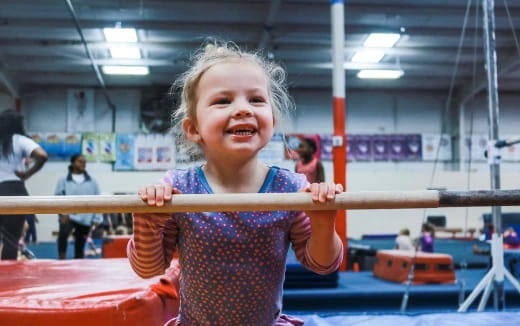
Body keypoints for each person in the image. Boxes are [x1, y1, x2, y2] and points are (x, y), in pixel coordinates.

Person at [127, 41, 344, 326]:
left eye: (256, 100)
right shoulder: (179, 187)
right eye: (223, 101)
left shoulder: (290, 188)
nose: (243, 109)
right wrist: (148, 223)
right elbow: (148, 269)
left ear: (273, 120)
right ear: (193, 129)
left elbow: (323, 265)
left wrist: (324, 223)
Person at [0, 109, 48, 260]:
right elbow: (42, 155)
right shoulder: (18, 140)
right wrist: (28, 174)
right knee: (12, 239)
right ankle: (7, 279)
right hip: (13, 190)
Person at [55, 154, 102, 259]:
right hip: (68, 216)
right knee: (63, 235)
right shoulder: (63, 180)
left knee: (80, 244)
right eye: (80, 161)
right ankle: (61, 259)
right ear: (73, 163)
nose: (83, 164)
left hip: (86, 218)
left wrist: (97, 218)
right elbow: (58, 198)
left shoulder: (92, 181)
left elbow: (98, 199)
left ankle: (79, 262)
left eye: (85, 162)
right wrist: (63, 214)